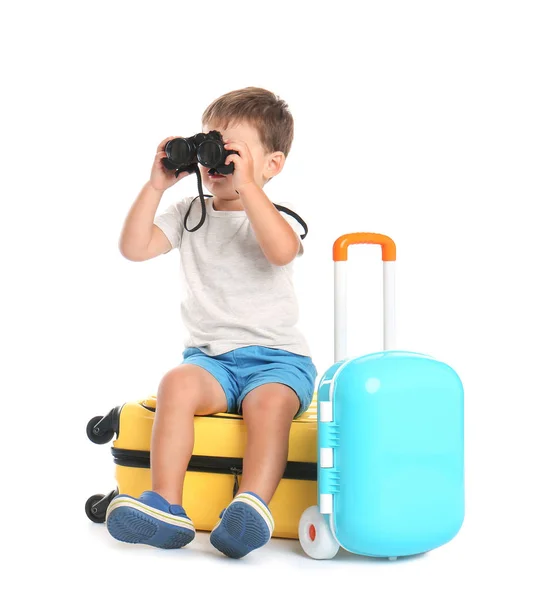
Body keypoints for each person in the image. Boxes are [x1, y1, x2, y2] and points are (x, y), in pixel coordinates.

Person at [105, 87, 317, 558]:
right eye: (210, 149)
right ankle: (166, 507)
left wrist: (248, 188)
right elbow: (134, 248)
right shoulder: (189, 213)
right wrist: (158, 184)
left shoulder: (275, 219)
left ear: (271, 165)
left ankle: (251, 507)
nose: (215, 163)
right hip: (210, 362)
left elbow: (280, 250)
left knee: (268, 407)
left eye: (231, 153)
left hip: (278, 362)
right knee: (174, 385)